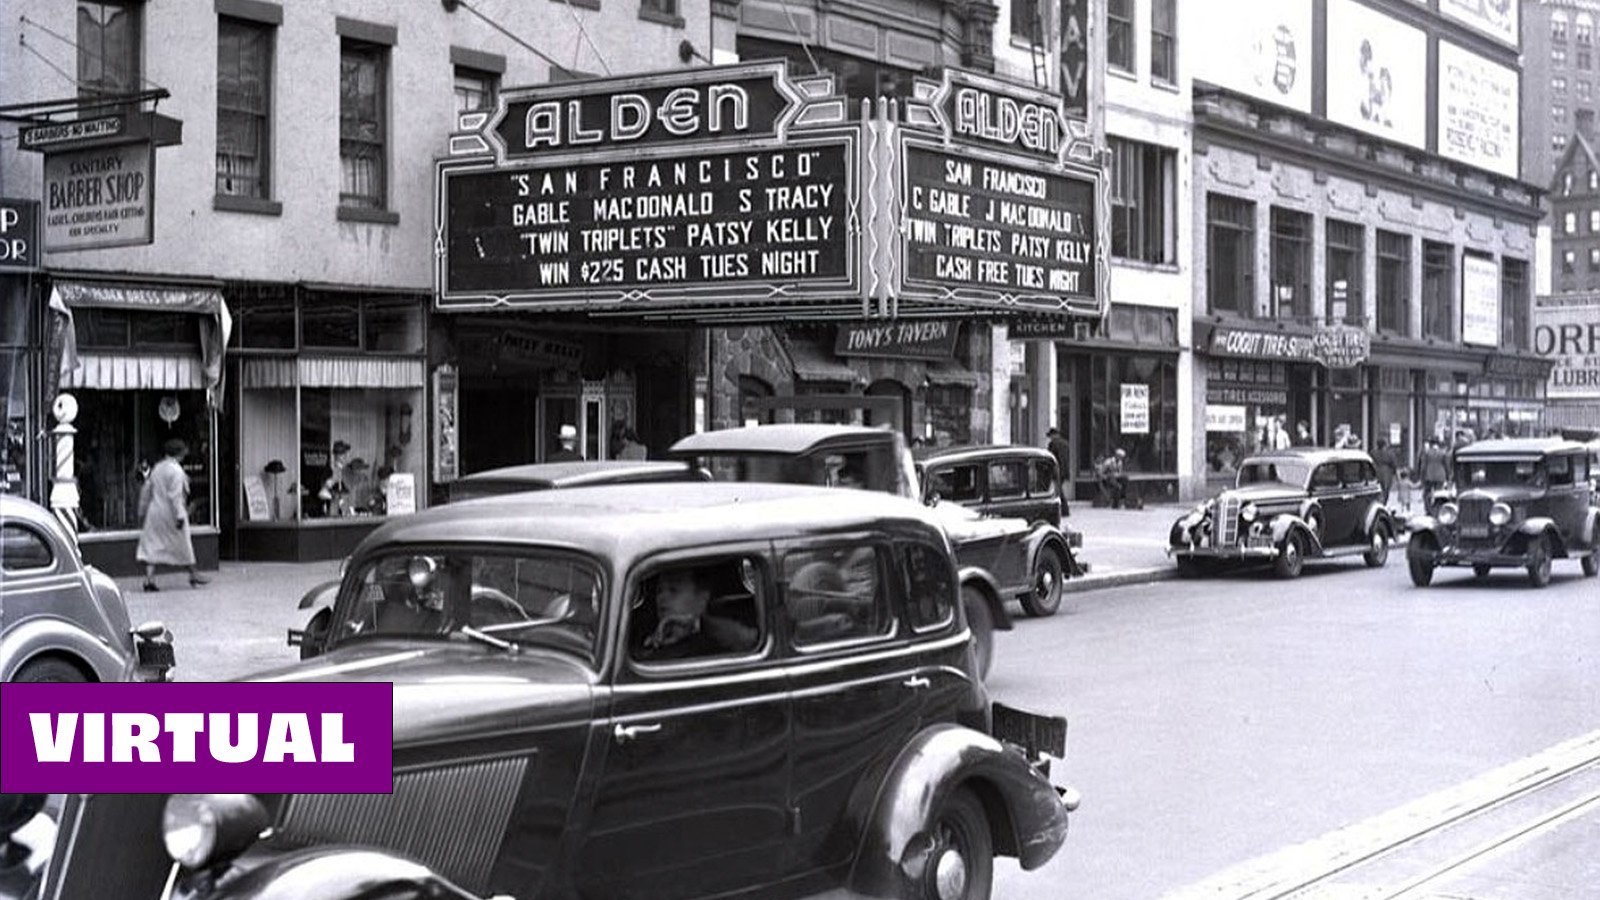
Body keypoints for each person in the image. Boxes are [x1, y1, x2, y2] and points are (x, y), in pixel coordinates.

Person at [136, 438, 207, 592]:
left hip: (155, 512)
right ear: (179, 453)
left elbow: (147, 491)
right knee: (183, 543)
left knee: (152, 546)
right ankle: (193, 574)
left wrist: (142, 511)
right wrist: (181, 515)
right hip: (170, 513)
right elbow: (175, 496)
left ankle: (149, 580)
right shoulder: (176, 471)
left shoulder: (157, 468)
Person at [637, 568, 752, 660]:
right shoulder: (647, 640)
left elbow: (747, 641)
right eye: (659, 591)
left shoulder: (718, 644)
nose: (662, 598)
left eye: (673, 590)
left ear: (702, 597)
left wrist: (696, 623)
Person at [1045, 427, 1073, 517]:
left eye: (1051, 436)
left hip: (1056, 470)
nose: (1050, 438)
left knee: (1058, 491)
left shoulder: (1053, 444)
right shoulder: (1065, 443)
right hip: (1065, 470)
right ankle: (1063, 510)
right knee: (1059, 489)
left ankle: (1064, 510)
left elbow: (1050, 458)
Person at [1419, 438, 1450, 512]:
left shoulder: (1427, 453)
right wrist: (1448, 476)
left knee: (1427, 493)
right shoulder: (1442, 453)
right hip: (1440, 476)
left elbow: (1423, 466)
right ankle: (1438, 509)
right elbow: (1446, 465)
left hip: (1428, 475)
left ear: (1430, 444)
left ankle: (1428, 509)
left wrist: (1422, 476)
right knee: (1439, 493)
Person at [1372, 439, 1399, 505]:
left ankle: (1378, 502)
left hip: (1376, 472)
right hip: (1387, 473)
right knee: (1385, 490)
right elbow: (1394, 465)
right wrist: (1397, 476)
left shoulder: (1373, 453)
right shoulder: (1389, 453)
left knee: (1377, 489)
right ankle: (1384, 503)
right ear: (1384, 445)